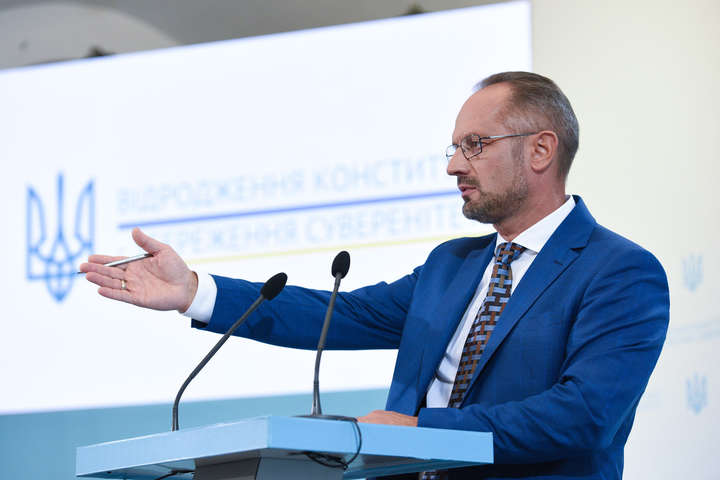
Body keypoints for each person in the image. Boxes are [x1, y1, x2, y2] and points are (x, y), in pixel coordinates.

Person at [80, 72, 670, 479]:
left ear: (541, 150)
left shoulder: (619, 271)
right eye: (453, 147)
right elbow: (337, 316)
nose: (453, 165)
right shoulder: (451, 265)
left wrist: (420, 429)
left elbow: (583, 416)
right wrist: (194, 292)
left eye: (475, 144)